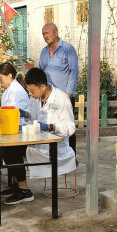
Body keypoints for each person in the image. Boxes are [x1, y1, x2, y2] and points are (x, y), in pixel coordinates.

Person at [1, 67, 76, 205]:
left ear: (42, 87)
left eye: (32, 91)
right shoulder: (35, 97)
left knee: (13, 151)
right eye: (29, 90)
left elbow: (70, 128)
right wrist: (22, 113)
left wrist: (51, 127)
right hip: (37, 140)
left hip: (54, 147)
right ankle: (17, 186)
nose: (30, 94)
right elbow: (32, 114)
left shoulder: (61, 99)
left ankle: (24, 191)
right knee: (7, 149)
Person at [0, 62, 30, 181]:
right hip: (9, 127)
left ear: (9, 75)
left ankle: (20, 186)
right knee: (7, 156)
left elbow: (15, 113)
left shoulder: (18, 91)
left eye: (1, 78)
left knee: (13, 158)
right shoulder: (9, 90)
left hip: (17, 129)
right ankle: (14, 185)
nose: (0, 81)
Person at [39, 23, 79, 153]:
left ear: (56, 33)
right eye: (43, 34)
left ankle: (71, 155)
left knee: (67, 126)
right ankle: (53, 155)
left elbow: (74, 72)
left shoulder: (68, 49)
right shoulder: (43, 52)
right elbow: (41, 73)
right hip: (48, 96)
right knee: (51, 124)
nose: (45, 36)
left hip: (64, 95)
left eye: (47, 33)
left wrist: (68, 94)